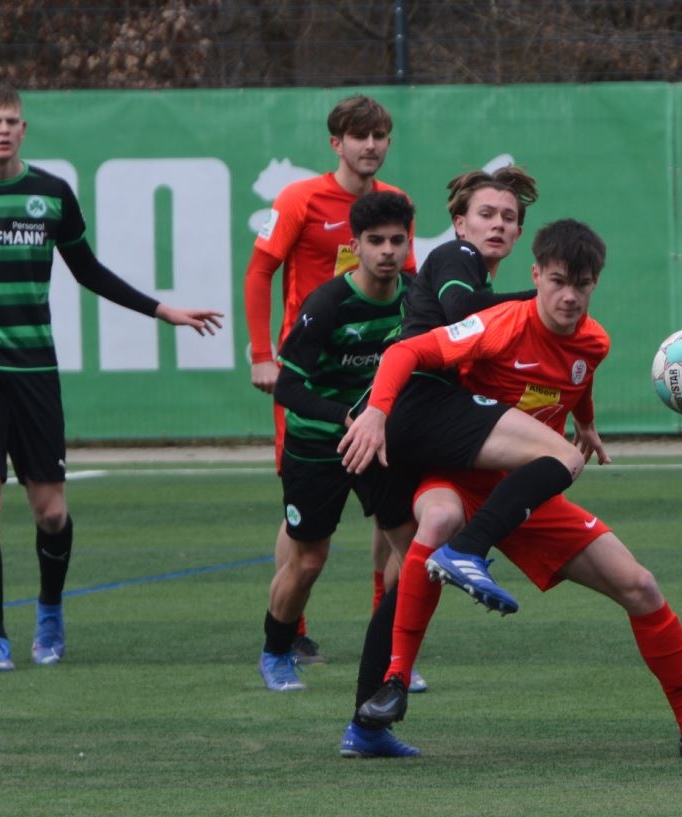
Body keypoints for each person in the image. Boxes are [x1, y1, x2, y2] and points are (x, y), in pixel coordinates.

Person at [349, 219, 682, 760]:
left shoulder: (595, 341)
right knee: (441, 518)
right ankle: (396, 682)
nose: (569, 296)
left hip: (527, 493)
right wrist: (377, 412)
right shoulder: (500, 324)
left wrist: (585, 423)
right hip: (459, 476)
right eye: (558, 282)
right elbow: (405, 353)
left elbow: (576, 378)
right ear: (536, 275)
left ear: (595, 284)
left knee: (640, 586)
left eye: (582, 285)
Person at [0, 81, 223, 673]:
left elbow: (89, 271)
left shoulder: (51, 195)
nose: (3, 130)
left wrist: (163, 310)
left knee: (51, 511)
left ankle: (49, 609)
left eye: (12, 121)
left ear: (24, 129)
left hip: (34, 369)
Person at [338, 166, 586, 617]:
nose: (498, 225)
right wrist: (539, 301)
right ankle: (471, 547)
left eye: (508, 218)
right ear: (459, 224)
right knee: (557, 457)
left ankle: (389, 659)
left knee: (411, 564)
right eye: (486, 214)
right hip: (413, 403)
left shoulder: (478, 278)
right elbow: (460, 310)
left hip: (393, 419)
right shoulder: (459, 254)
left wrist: (584, 420)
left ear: (519, 233)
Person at [244, 94, 416, 664]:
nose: (371, 145)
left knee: (395, 517)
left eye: (379, 135)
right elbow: (260, 272)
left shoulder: (393, 206)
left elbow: (414, 290)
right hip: (312, 377)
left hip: (375, 382)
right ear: (336, 143)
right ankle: (291, 632)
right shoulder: (300, 198)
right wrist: (263, 355)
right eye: (359, 135)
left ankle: (386, 626)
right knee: (304, 525)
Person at [258, 192, 420, 721]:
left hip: (379, 443)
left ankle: (395, 658)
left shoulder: (416, 298)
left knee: (412, 551)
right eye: (376, 241)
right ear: (355, 246)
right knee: (308, 560)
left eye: (397, 240)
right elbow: (288, 387)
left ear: (408, 243)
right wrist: (345, 416)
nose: (387, 251)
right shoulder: (328, 304)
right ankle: (276, 651)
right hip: (317, 445)